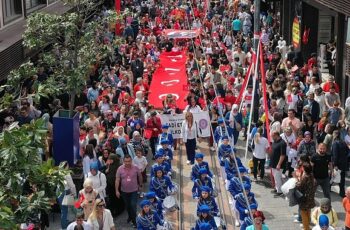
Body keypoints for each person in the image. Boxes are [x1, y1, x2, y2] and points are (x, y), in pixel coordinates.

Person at [115, 155, 143, 227]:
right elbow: (117, 180)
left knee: (133, 205)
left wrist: (140, 185)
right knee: (127, 206)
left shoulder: (136, 167)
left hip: (134, 190)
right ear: (123, 161)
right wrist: (117, 190)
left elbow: (140, 176)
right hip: (124, 191)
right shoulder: (120, 169)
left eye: (129, 161)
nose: (127, 163)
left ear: (131, 161)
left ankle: (135, 221)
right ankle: (130, 216)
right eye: (126, 161)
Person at [296, 162, 317, 230]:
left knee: (303, 212)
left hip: (305, 198)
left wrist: (296, 178)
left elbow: (300, 186)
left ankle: (306, 228)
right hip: (311, 197)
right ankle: (307, 225)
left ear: (305, 169)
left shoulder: (305, 177)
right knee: (308, 211)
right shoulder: (312, 175)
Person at [58, 161, 77, 229]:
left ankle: (64, 223)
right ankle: (64, 226)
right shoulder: (67, 174)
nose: (68, 166)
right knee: (66, 210)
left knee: (63, 210)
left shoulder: (58, 173)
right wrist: (75, 194)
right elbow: (72, 185)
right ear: (65, 166)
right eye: (68, 165)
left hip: (59, 192)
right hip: (65, 192)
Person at [331, 130, 349, 197]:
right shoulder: (343, 142)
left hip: (337, 163)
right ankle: (342, 192)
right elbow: (347, 151)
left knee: (334, 175)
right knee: (342, 178)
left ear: (335, 135)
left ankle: (329, 187)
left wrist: (335, 164)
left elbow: (335, 155)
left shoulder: (335, 143)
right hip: (344, 163)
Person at [269, 131, 286, 196]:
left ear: (276, 135)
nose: (272, 137)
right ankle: (277, 188)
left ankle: (280, 191)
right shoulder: (274, 142)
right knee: (275, 177)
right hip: (273, 163)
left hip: (278, 165)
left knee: (277, 178)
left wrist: (279, 164)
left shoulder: (282, 143)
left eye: (272, 136)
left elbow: (283, 155)